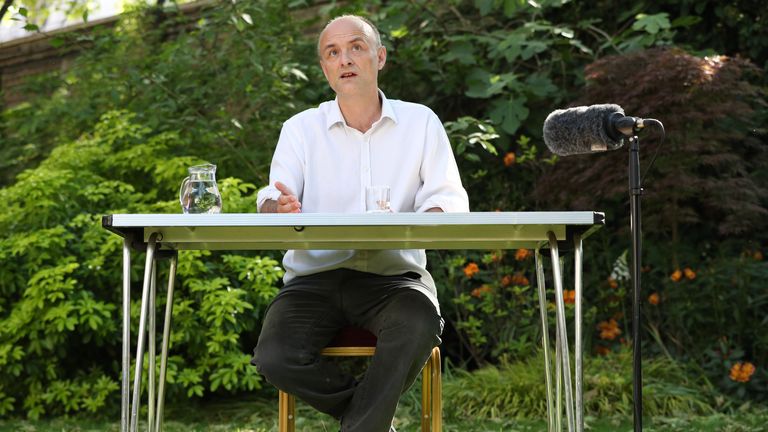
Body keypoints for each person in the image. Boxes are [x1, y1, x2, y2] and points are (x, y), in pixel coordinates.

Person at [251, 14, 469, 432]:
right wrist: (277, 207)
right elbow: (271, 196)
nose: (344, 59)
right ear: (325, 69)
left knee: (419, 322)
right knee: (275, 356)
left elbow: (447, 197)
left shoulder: (421, 122)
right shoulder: (300, 129)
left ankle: (361, 424)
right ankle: (369, 422)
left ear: (380, 57)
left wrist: (429, 216)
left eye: (356, 47)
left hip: (395, 279)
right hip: (314, 278)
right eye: (332, 52)